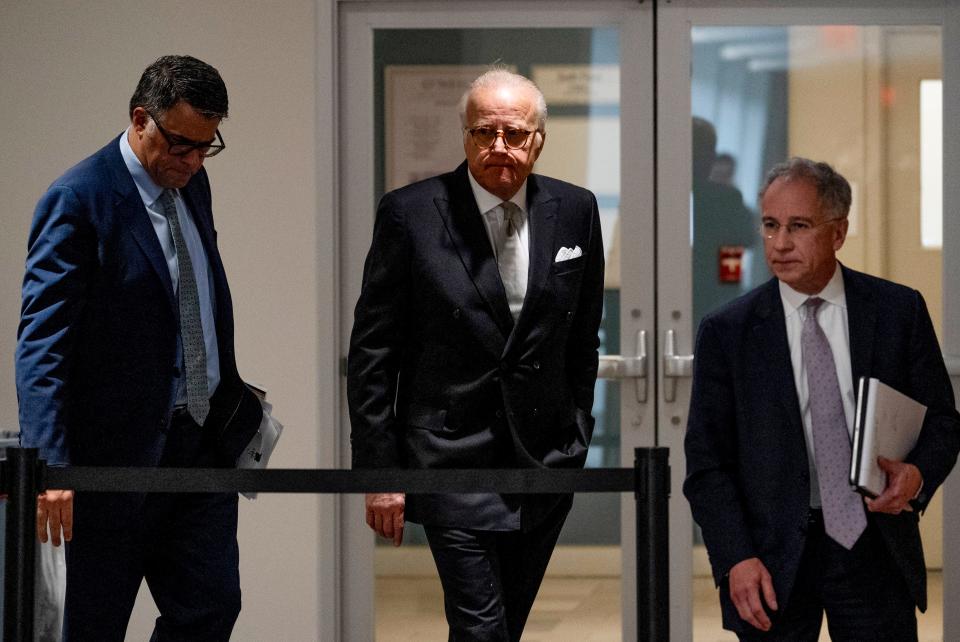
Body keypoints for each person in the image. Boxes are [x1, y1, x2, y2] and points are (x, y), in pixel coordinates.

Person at [347, 68, 604, 641]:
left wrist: (577, 432)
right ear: (464, 137)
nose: (498, 147)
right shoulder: (411, 213)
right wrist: (380, 473)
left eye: (513, 134)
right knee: (480, 626)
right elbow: (373, 352)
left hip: (543, 460)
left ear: (538, 139)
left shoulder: (576, 209)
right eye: (483, 132)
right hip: (448, 456)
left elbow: (582, 337)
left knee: (505, 625)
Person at [15, 55, 262, 641]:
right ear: (139, 120)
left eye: (208, 146)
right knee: (91, 625)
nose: (194, 161)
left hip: (198, 446)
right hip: (110, 459)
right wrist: (51, 466)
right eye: (181, 145)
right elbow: (42, 344)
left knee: (211, 608)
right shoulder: (80, 198)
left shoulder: (193, 185)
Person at [683, 157, 960, 640]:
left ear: (837, 233)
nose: (781, 243)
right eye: (770, 226)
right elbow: (708, 464)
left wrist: (916, 478)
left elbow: (943, 422)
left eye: (799, 226)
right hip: (771, 558)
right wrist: (736, 558)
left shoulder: (898, 311)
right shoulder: (729, 332)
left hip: (874, 545)